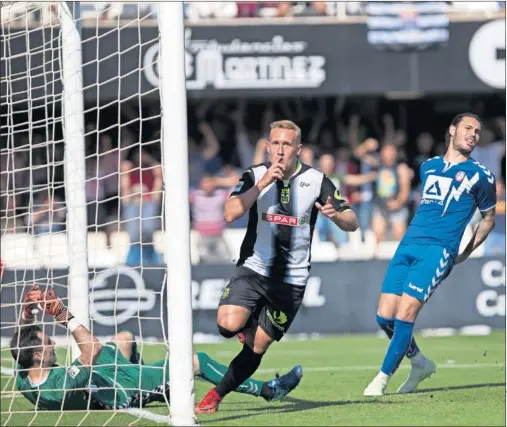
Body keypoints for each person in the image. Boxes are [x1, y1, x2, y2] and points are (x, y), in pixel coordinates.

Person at [195, 120, 359, 414]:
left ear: (299, 149)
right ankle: (248, 323)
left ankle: (215, 396)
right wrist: (262, 184)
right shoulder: (255, 174)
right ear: (268, 146)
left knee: (257, 347)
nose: (281, 151)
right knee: (226, 325)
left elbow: (352, 223)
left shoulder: (317, 180)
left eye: (287, 145)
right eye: (276, 144)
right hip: (254, 269)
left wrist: (336, 216)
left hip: (291, 281)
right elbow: (230, 213)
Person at [363, 113, 497, 396]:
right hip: (408, 244)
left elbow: (488, 219)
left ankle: (381, 380)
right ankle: (420, 363)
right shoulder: (429, 167)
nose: (473, 134)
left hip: (439, 250)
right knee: (383, 318)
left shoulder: (482, 176)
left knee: (405, 313)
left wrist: (465, 251)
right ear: (452, 130)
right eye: (468, 128)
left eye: (477, 130)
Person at [11, 285, 305, 410]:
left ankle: (159, 382)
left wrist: (28, 311)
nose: (52, 345)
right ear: (38, 355)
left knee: (125, 338)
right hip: (117, 391)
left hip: (102, 376)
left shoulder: (24, 373)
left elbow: (19, 341)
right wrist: (63, 314)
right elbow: (91, 350)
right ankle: (268, 390)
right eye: (48, 344)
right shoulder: (60, 383)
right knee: (195, 361)